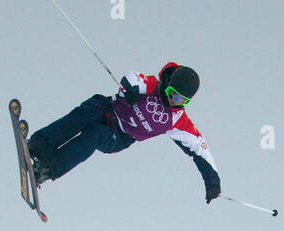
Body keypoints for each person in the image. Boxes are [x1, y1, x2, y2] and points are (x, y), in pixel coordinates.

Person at [26, 63, 221, 204]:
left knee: (95, 135)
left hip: (119, 135)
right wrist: (131, 91)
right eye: (172, 93)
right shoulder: (153, 85)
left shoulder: (178, 121)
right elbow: (133, 77)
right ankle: (39, 146)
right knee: (87, 112)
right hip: (108, 109)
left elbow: (200, 148)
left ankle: (47, 169)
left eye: (181, 100)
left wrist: (212, 181)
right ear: (167, 83)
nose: (173, 101)